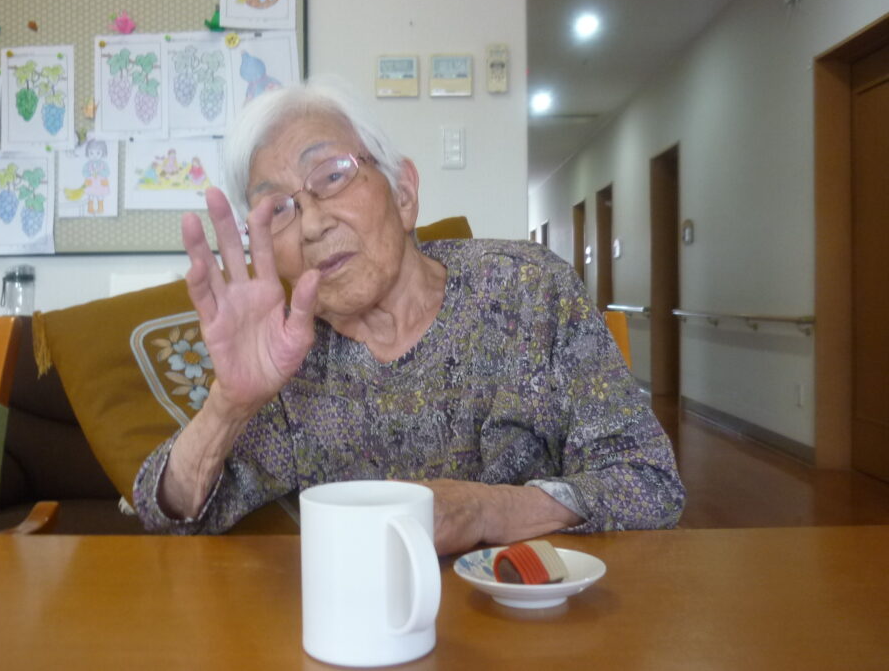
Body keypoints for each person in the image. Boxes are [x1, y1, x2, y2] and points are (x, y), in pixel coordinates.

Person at [133, 77, 685, 555]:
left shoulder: (528, 290)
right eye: (276, 209)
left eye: (331, 175)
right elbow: (169, 514)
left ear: (403, 193)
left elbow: (649, 482)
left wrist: (490, 511)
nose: (311, 225)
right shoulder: (291, 362)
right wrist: (229, 407)